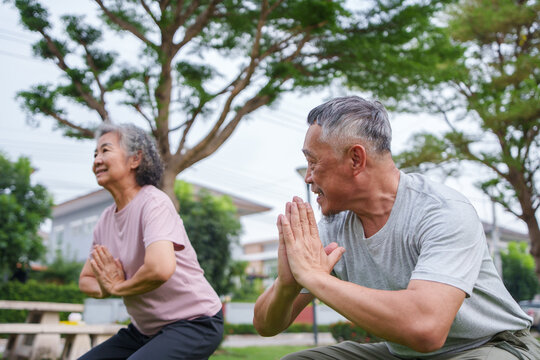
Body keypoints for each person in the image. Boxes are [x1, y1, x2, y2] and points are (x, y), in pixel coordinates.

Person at [253, 96, 540, 359]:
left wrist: (315, 279)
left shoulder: (442, 211)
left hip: (491, 345)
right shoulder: (334, 227)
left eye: (313, 162)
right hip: (406, 354)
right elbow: (265, 326)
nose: (307, 177)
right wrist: (287, 285)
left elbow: (426, 329)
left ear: (356, 159)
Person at [78, 123, 223, 360]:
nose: (96, 160)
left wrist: (117, 287)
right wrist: (106, 287)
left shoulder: (153, 203)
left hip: (195, 322)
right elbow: (86, 280)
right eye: (95, 154)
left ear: (135, 159)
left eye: (105, 151)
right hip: (145, 330)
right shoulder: (105, 220)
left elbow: (160, 269)